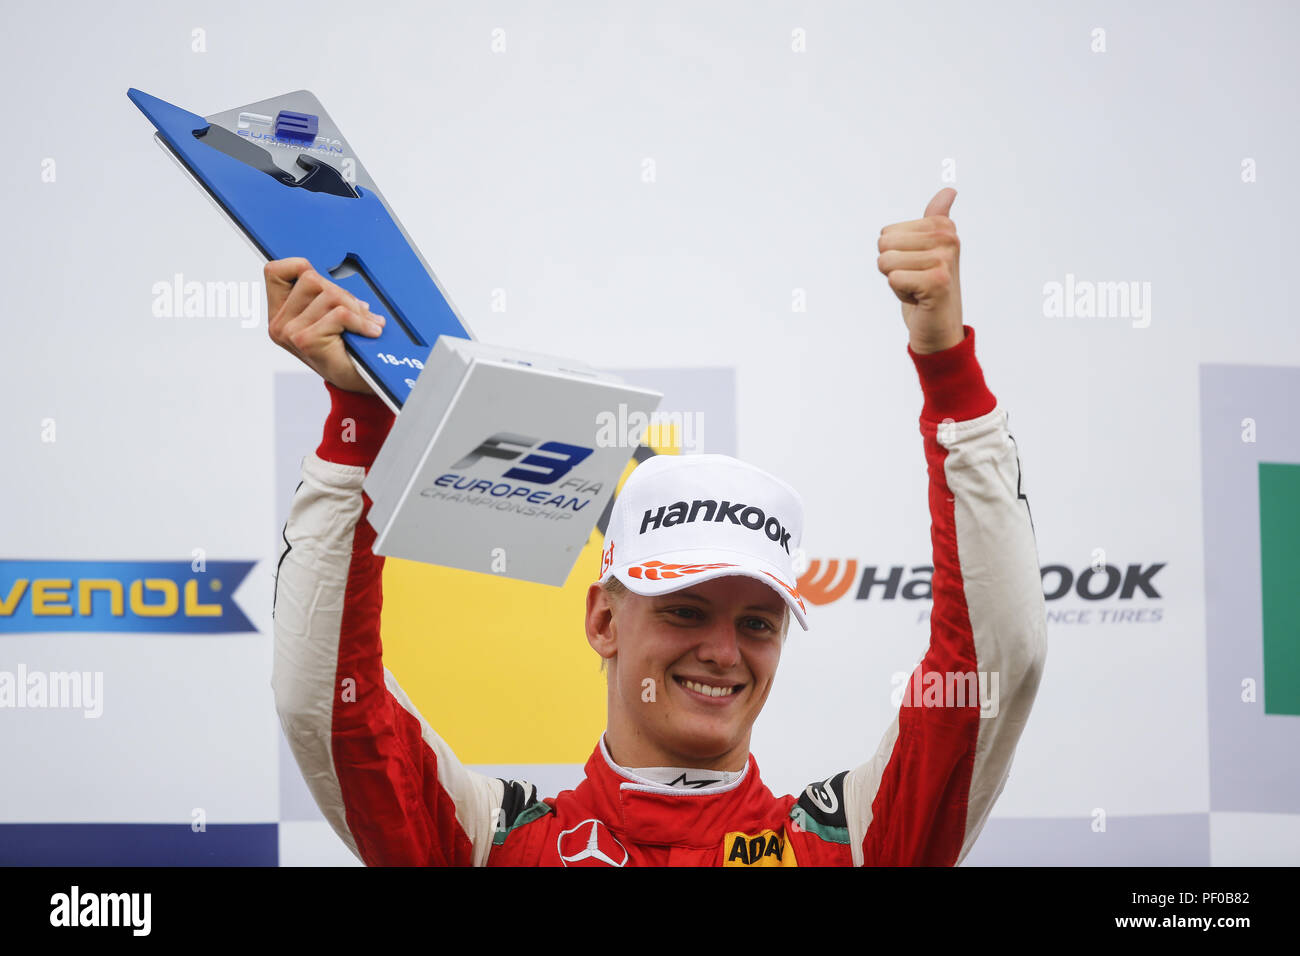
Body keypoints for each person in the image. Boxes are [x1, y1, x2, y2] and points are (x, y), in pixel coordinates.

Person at [268, 188, 1047, 866]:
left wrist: (947, 368)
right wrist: (361, 416)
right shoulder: (492, 842)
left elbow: (995, 665)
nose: (723, 651)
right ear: (604, 617)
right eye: (684, 609)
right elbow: (328, 706)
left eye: (757, 621)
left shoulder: (848, 843)